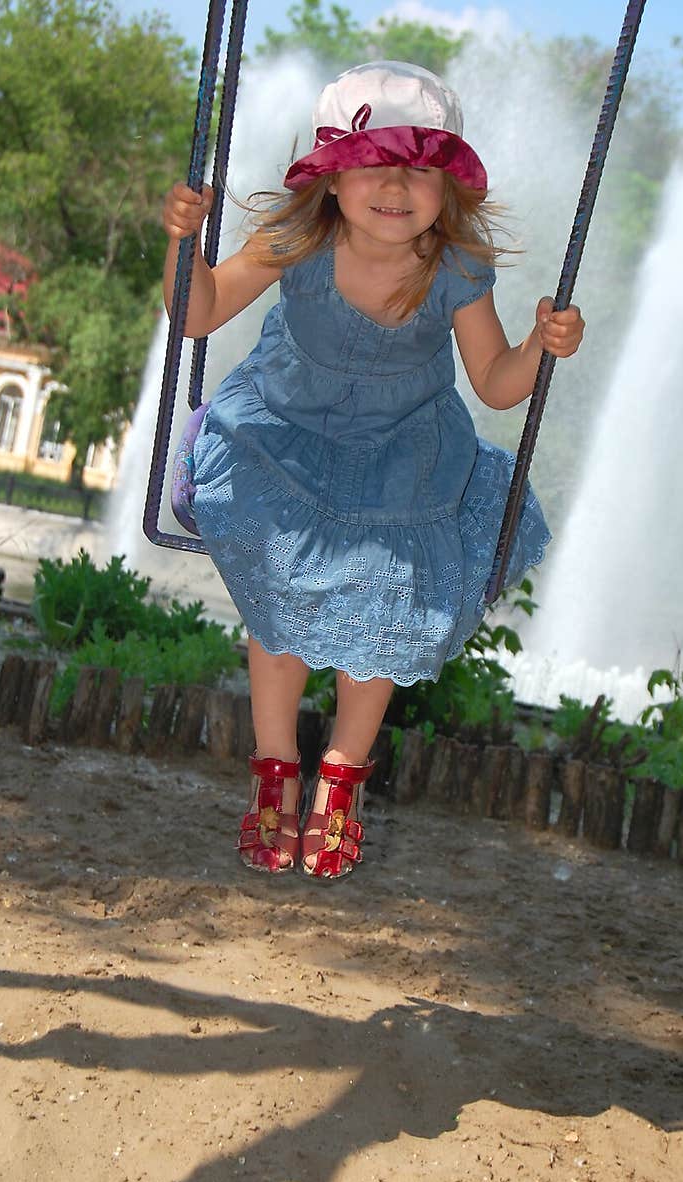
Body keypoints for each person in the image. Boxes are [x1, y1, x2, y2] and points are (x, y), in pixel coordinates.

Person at [162, 59, 584, 880]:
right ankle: (276, 769)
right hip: (280, 441)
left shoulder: (454, 269)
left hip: (403, 460)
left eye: (421, 167)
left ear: (447, 187)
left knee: (387, 613)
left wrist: (540, 346)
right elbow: (200, 312)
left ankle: (342, 778)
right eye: (373, 162)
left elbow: (497, 385)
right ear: (333, 177)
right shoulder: (298, 240)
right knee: (277, 589)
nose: (397, 185)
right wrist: (182, 245)